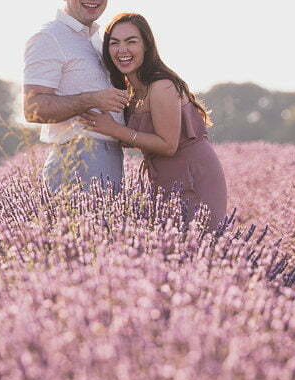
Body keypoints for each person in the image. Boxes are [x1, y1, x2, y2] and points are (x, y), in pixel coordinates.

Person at [80, 13, 228, 232]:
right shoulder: (133, 90)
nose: (122, 50)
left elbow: (168, 145)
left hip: (194, 178)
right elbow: (141, 135)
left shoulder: (161, 86)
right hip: (165, 179)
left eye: (131, 42)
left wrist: (114, 129)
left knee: (199, 247)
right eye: (114, 43)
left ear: (147, 46)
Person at [22, 0, 129, 193]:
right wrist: (92, 99)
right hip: (79, 159)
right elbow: (33, 109)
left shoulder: (98, 39)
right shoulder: (49, 37)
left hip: (108, 156)